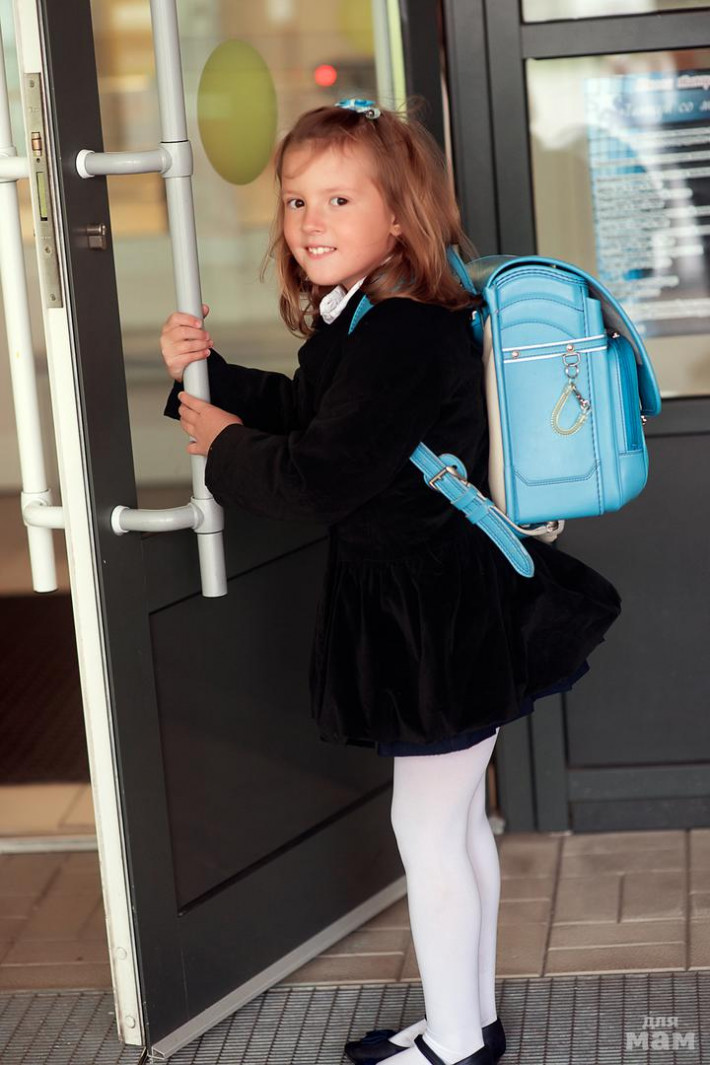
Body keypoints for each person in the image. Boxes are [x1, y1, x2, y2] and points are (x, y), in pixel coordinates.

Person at [160, 99, 621, 1065]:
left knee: (429, 827)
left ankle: (455, 1040)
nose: (310, 221)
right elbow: (315, 412)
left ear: (401, 218)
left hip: (437, 614)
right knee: (454, 822)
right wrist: (206, 383)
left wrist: (226, 448)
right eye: (296, 200)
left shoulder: (400, 331)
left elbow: (319, 474)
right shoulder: (374, 316)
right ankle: (468, 1022)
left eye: (339, 199)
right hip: (442, 603)